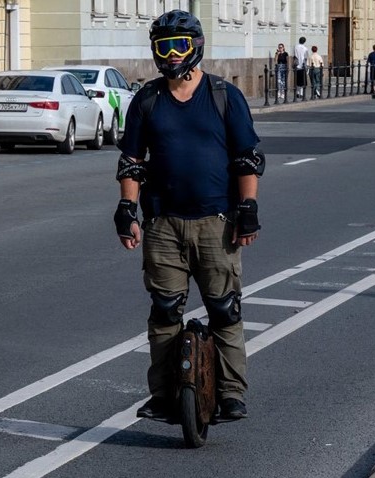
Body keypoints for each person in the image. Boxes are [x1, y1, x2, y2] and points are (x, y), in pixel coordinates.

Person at [114, 10, 265, 421]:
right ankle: (163, 395)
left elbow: (247, 158)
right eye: (164, 46)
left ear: (196, 47)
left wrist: (248, 208)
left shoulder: (223, 95)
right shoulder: (147, 99)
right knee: (164, 312)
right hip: (163, 225)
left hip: (217, 223)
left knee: (224, 311)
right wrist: (127, 208)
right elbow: (132, 161)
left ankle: (232, 393)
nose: (172, 55)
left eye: (180, 45)